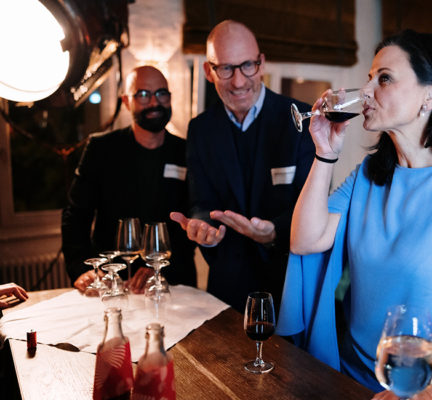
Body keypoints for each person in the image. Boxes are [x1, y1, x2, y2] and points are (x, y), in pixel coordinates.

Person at [276, 30, 432, 399]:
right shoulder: (368, 174)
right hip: (353, 378)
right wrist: (324, 153)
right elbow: (305, 239)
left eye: (385, 78)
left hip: (427, 387)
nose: (368, 90)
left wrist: (427, 396)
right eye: (370, 78)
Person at [170, 20, 315, 313]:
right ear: (208, 71)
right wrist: (203, 227)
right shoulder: (200, 129)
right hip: (227, 290)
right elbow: (201, 202)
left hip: (289, 287)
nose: (238, 81)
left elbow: (313, 207)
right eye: (225, 68)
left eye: (247, 65)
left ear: (261, 64)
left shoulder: (300, 120)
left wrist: (273, 232)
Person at [62, 65, 196, 293]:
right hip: (112, 281)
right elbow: (76, 215)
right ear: (126, 101)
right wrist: (79, 267)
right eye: (143, 95)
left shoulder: (187, 151)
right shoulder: (101, 149)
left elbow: (192, 220)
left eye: (161, 93)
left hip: (173, 281)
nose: (155, 102)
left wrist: (161, 268)